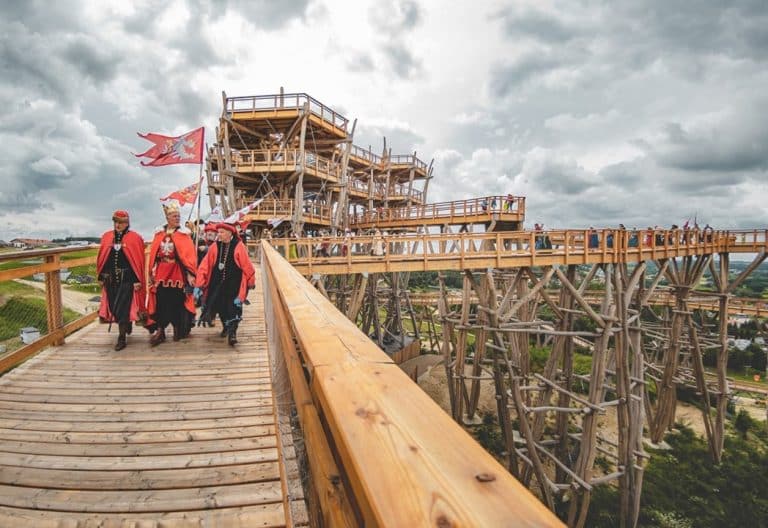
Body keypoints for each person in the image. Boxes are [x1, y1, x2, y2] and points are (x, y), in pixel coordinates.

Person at [195, 222, 256, 346]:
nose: (219, 235)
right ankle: (226, 326)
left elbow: (247, 266)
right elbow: (205, 265)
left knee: (233, 308)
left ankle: (232, 333)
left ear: (230, 233)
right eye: (219, 232)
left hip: (234, 284)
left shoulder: (239, 246)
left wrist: (251, 281)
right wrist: (199, 283)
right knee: (220, 308)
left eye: (222, 232)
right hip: (217, 284)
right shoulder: (215, 247)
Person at [146, 201, 197, 346]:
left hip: (177, 271)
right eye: (174, 216)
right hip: (162, 271)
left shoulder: (183, 235)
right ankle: (160, 331)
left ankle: (177, 328)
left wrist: (190, 273)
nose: (177, 218)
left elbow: (189, 256)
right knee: (161, 301)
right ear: (167, 218)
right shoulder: (159, 234)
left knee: (177, 300)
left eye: (178, 216)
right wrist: (151, 272)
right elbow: (154, 254)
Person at [96, 210, 146, 351]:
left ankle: (121, 337)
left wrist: (137, 280)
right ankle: (126, 325)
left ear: (127, 223)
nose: (118, 225)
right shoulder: (107, 237)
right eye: (116, 222)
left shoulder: (134, 238)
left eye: (121, 222)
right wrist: (101, 275)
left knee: (123, 308)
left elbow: (136, 262)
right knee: (114, 307)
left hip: (127, 280)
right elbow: (104, 258)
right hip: (111, 279)